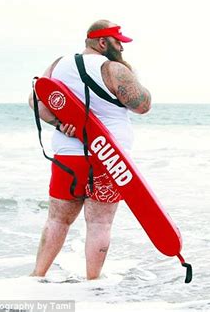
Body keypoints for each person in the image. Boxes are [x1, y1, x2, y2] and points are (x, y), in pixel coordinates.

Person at [28, 19, 151, 279]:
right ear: (103, 42)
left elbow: (34, 100)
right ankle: (92, 283)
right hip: (109, 158)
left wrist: (60, 125)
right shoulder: (113, 68)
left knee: (57, 220)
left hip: (67, 159)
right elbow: (142, 106)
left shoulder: (58, 65)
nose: (122, 48)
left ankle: (37, 277)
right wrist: (129, 72)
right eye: (118, 42)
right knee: (99, 223)